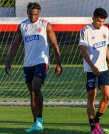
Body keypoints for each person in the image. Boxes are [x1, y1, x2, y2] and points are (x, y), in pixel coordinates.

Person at [4, 2, 62, 132]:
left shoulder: (45, 25)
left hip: (42, 62)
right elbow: (15, 44)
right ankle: (36, 123)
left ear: (39, 13)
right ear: (27, 12)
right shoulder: (22, 26)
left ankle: (40, 119)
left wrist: (59, 62)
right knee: (32, 93)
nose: (33, 17)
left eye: (35, 14)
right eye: (31, 14)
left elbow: (55, 44)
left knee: (36, 87)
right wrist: (8, 61)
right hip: (27, 64)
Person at [79, 7, 109, 134]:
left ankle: (97, 121)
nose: (101, 24)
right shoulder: (85, 31)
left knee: (107, 96)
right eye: (99, 21)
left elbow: (106, 48)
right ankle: (93, 128)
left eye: (103, 21)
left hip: (104, 69)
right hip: (90, 70)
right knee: (91, 96)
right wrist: (92, 66)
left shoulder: (106, 29)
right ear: (93, 18)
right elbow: (82, 50)